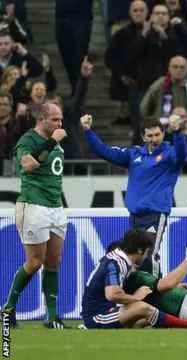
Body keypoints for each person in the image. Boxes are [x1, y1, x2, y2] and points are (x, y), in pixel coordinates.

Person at [82, 114, 187, 277]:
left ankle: (157, 294)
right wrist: (88, 131)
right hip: (135, 216)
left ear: (163, 134)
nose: (155, 139)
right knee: (134, 259)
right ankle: (142, 295)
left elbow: (183, 156)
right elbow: (105, 152)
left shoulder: (169, 154)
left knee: (150, 256)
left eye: (158, 134)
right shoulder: (134, 154)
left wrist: (177, 132)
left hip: (155, 214)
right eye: (150, 135)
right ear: (143, 136)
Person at [2, 103, 69, 329]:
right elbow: (28, 164)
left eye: (61, 120)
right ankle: (8, 309)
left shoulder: (56, 142)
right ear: (41, 120)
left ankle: (51, 317)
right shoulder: (28, 140)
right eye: (55, 120)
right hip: (33, 205)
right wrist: (52, 141)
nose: (60, 124)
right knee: (34, 262)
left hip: (55, 207)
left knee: (53, 262)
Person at [80, 229, 187, 329]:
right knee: (143, 308)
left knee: (148, 312)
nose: (146, 257)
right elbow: (111, 294)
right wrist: (135, 298)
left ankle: (173, 324)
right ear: (140, 251)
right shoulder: (119, 263)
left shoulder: (118, 259)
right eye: (146, 252)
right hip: (97, 316)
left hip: (105, 311)